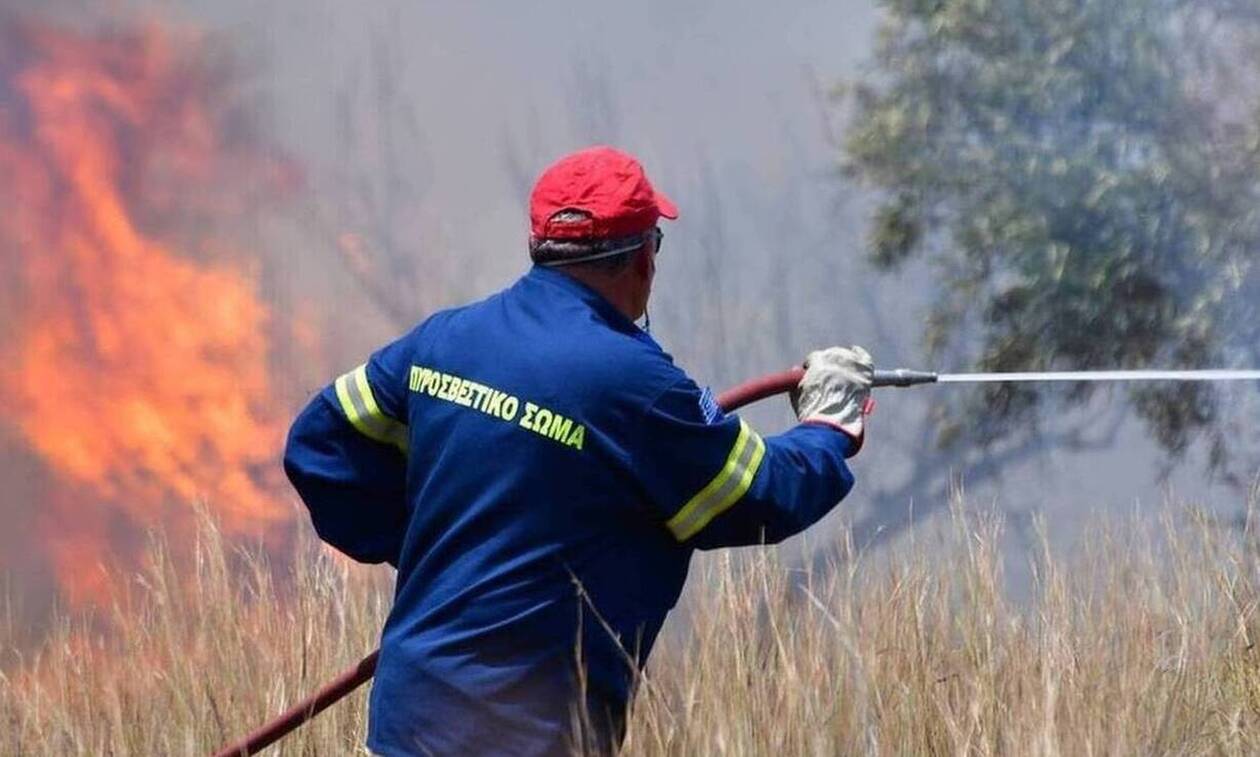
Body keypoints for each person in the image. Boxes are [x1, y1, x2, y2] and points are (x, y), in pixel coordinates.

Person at [283, 145, 874, 756]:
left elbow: (319, 447)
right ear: (643, 257)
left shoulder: (443, 340)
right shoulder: (638, 387)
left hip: (406, 725)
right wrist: (829, 426)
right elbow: (760, 497)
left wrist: (429, 552)